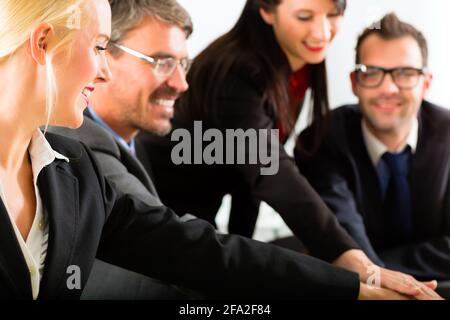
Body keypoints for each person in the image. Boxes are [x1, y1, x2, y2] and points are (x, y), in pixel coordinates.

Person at [1, 0, 431, 300]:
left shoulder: (72, 172)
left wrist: (350, 285)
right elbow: (267, 171)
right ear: (42, 44)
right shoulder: (237, 73)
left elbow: (201, 247)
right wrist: (351, 265)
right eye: (98, 46)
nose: (105, 68)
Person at [295, 13, 450, 295]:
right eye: (372, 73)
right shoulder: (322, 139)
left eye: (405, 73)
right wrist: (375, 277)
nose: (388, 88)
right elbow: (341, 236)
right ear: (355, 82)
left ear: (425, 83)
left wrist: (383, 274)